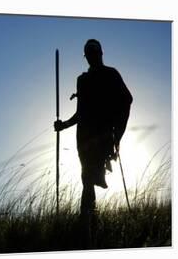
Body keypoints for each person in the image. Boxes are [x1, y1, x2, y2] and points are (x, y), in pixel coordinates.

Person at [54, 39, 133, 247]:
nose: (92, 55)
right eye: (89, 53)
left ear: (100, 53)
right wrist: (64, 126)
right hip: (84, 139)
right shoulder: (83, 80)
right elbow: (81, 113)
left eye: (94, 52)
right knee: (87, 179)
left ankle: (85, 229)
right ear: (87, 56)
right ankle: (91, 226)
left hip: (102, 137)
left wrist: (118, 133)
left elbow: (126, 100)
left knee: (88, 179)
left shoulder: (111, 74)